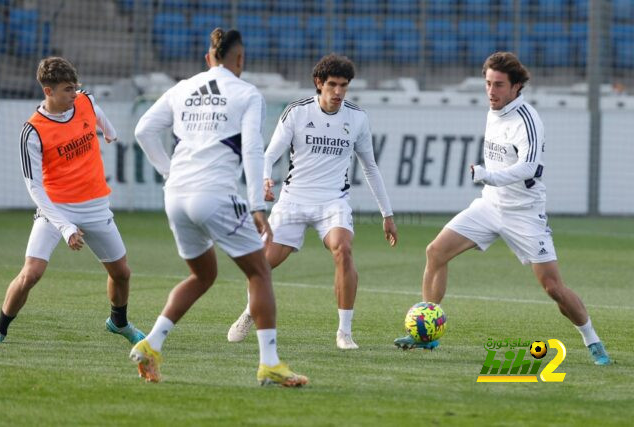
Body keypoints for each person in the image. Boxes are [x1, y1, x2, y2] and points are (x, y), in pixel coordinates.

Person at [394, 52, 612, 366]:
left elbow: (531, 167)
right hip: (489, 205)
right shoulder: (493, 110)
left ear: (516, 87)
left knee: (553, 287)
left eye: (498, 85)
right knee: (435, 252)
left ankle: (593, 341)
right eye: (488, 84)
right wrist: (490, 182)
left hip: (524, 213)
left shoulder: (527, 119)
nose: (491, 91)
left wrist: (490, 175)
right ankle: (427, 334)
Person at [131, 28, 308, 386]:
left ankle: (151, 344)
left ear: (208, 57)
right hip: (214, 195)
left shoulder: (182, 88)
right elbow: (252, 151)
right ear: (239, 59)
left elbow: (143, 131)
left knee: (203, 275)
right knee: (259, 272)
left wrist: (170, 171)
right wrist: (257, 204)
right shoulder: (246, 93)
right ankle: (270, 362)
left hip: (176, 196)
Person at [227, 54, 398, 350]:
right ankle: (249, 311)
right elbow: (269, 155)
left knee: (343, 249)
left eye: (344, 86)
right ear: (319, 84)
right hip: (293, 201)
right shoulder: (297, 112)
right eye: (332, 85)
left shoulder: (357, 118)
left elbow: (370, 167)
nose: (338, 92)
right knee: (262, 265)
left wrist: (387, 214)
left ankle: (344, 332)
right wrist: (265, 179)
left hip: (333, 202)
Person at [0, 57, 144, 345]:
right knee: (32, 273)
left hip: (96, 205)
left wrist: (110, 131)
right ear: (48, 91)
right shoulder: (33, 131)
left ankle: (118, 323)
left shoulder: (83, 101)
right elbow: (35, 188)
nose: (74, 95)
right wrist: (65, 227)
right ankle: (0, 330)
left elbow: (95, 110)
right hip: (56, 209)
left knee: (122, 273)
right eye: (66, 90)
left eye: (75, 87)